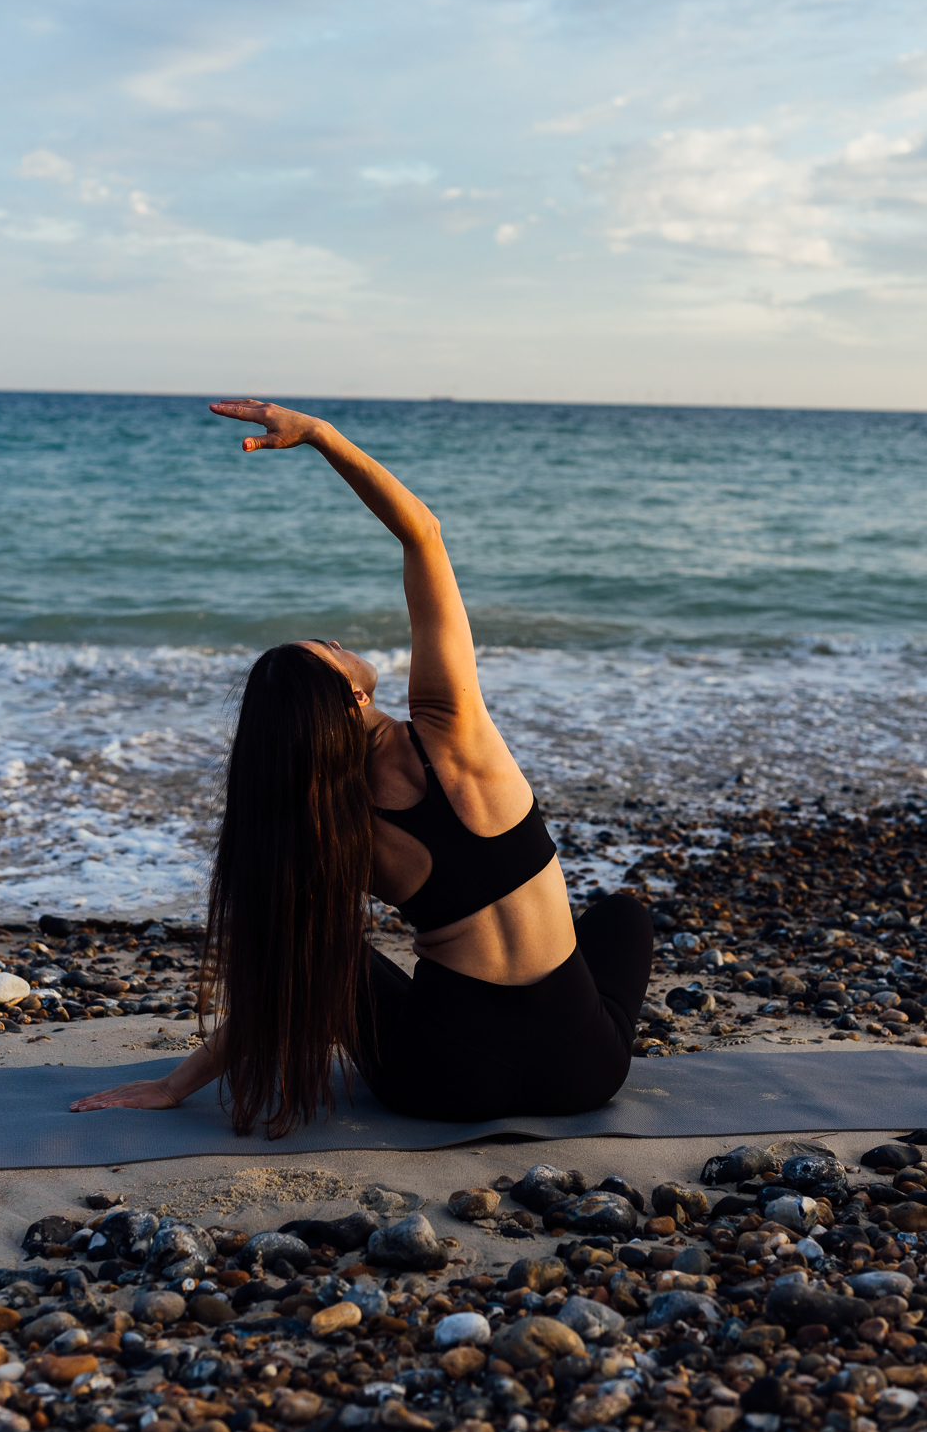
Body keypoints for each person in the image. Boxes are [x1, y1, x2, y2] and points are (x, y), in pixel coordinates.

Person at [71, 400, 653, 1133]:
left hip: (442, 1082)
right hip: (583, 1073)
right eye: (331, 646)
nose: (344, 640)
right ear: (349, 694)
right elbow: (423, 535)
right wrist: (320, 435)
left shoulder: (328, 826)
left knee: (328, 951)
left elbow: (294, 979)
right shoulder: (453, 730)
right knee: (624, 916)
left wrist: (175, 1085)